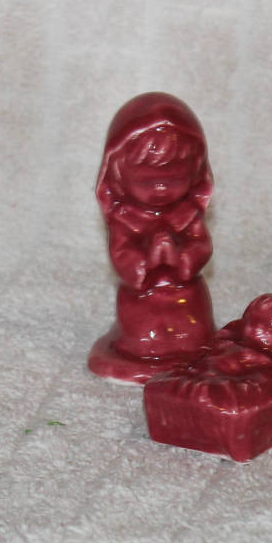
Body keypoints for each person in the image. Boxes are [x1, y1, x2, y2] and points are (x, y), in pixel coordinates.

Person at [89, 92, 216, 383]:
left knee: (194, 332)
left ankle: (193, 347)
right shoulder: (125, 218)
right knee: (144, 337)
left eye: (175, 179)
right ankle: (141, 349)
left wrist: (181, 258)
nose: (161, 189)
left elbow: (201, 246)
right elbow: (122, 257)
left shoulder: (188, 214)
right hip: (142, 299)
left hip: (185, 295)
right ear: (118, 174)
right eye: (147, 181)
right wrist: (148, 260)